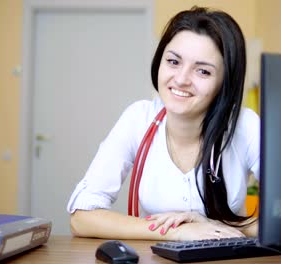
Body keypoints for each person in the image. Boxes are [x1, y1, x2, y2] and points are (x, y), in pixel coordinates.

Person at [67, 6, 260, 241]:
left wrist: (212, 224)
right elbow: (81, 217)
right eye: (173, 61)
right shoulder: (138, 118)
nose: (181, 79)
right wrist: (177, 231)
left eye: (202, 71)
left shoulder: (245, 125)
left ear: (225, 82)